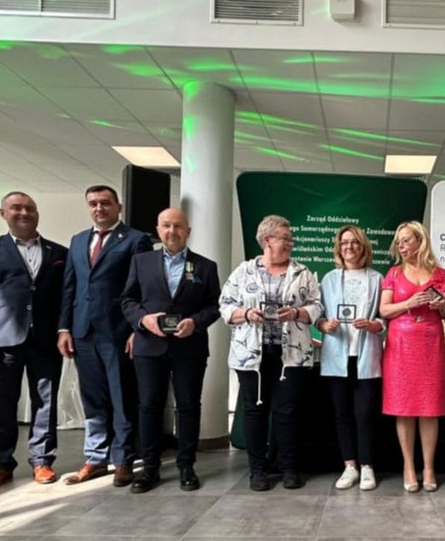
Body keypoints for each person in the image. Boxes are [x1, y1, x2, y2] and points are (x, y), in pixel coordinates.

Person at [0, 191, 67, 491]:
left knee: (45, 403)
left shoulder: (58, 251)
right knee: (1, 404)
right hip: (2, 340)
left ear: (37, 213)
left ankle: (42, 460)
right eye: (16, 208)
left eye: (29, 208)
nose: (23, 213)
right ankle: (0, 464)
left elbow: (65, 298)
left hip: (46, 340)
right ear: (3, 213)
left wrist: (64, 331)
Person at [57, 184, 151, 488]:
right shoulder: (77, 241)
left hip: (118, 331)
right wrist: (64, 328)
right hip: (83, 332)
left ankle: (123, 458)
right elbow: (70, 288)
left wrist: (137, 329)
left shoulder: (136, 240)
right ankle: (95, 458)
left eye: (105, 203)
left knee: (122, 397)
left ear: (118, 207)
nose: (99, 208)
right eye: (93, 203)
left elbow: (143, 289)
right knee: (92, 398)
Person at [220, 214, 322, 491]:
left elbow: (317, 306)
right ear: (267, 240)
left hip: (291, 355)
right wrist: (246, 313)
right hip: (251, 355)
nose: (290, 243)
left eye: (290, 239)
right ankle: (258, 470)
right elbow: (225, 305)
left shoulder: (302, 272)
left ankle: (289, 468)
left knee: (287, 411)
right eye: (285, 238)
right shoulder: (243, 271)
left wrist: (297, 313)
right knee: (255, 411)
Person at [121, 208, 220, 492]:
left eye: (178, 226)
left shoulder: (205, 266)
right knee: (149, 406)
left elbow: (215, 306)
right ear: (158, 229)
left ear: (188, 231)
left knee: (188, 406)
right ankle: (149, 468)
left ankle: (186, 466)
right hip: (149, 346)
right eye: (166, 225)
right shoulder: (141, 262)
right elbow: (127, 300)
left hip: (190, 346)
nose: (172, 231)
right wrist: (143, 320)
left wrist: (195, 323)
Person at [380, 221, 445, 493]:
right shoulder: (394, 273)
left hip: (430, 344)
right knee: (404, 407)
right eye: (399, 242)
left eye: (406, 240)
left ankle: (429, 467)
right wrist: (408, 304)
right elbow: (384, 310)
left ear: (420, 241)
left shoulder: (440, 274)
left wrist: (442, 305)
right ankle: (409, 467)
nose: (401, 246)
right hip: (400, 346)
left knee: (429, 407)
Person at [317, 224, 385, 492]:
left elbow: (385, 317)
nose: (349, 247)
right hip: (337, 356)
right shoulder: (329, 279)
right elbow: (319, 317)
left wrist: (374, 325)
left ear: (363, 247)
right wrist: (325, 325)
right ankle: (350, 466)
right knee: (342, 413)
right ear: (338, 248)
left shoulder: (377, 279)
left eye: (355, 242)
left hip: (366, 356)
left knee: (365, 414)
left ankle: (367, 466)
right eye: (344, 242)